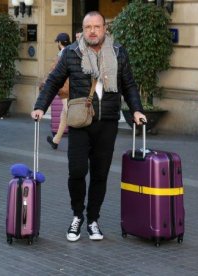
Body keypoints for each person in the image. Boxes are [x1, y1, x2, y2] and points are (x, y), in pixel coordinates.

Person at [31, 11, 146, 242]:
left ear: (105, 28)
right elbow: (54, 80)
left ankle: (93, 219)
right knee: (77, 171)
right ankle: (77, 215)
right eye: (88, 27)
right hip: (80, 121)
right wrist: (40, 106)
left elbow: (129, 84)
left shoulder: (118, 52)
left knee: (100, 173)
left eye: (97, 26)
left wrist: (136, 109)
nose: (93, 31)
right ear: (83, 30)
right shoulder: (71, 53)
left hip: (108, 122)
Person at [44, 33, 71, 150]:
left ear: (60, 43)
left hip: (65, 90)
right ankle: (56, 141)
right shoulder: (73, 51)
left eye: (57, 42)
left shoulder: (61, 54)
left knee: (70, 114)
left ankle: (83, 140)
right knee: (64, 115)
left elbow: (53, 71)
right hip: (71, 88)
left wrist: (44, 83)